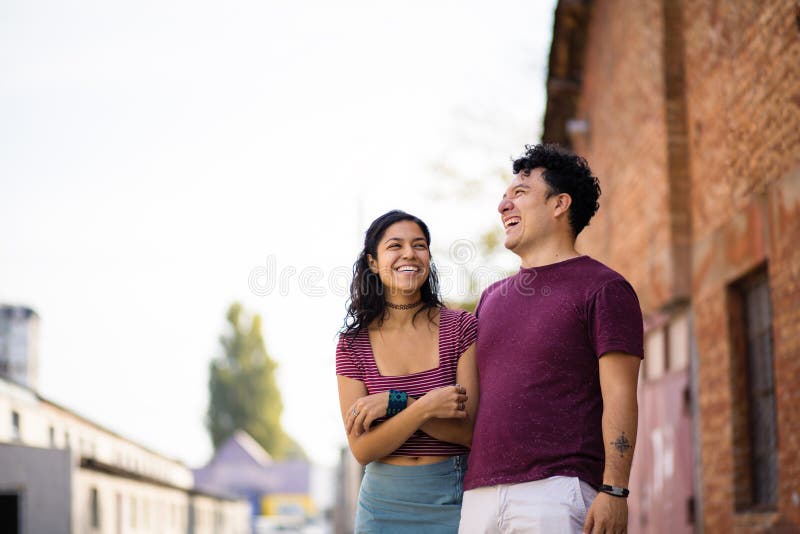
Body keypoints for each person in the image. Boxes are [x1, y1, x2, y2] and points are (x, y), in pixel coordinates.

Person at [459, 144, 644, 534]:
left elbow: (621, 395)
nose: (503, 206)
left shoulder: (604, 288)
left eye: (520, 194)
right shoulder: (491, 298)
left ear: (560, 205)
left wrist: (615, 489)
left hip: (556, 493)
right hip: (479, 495)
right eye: (505, 196)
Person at [336, 209, 479, 534]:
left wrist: (399, 402)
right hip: (381, 507)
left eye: (419, 245)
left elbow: (469, 432)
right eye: (394, 246)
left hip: (453, 500)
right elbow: (362, 449)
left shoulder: (461, 327)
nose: (409, 254)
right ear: (373, 262)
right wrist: (427, 406)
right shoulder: (352, 345)